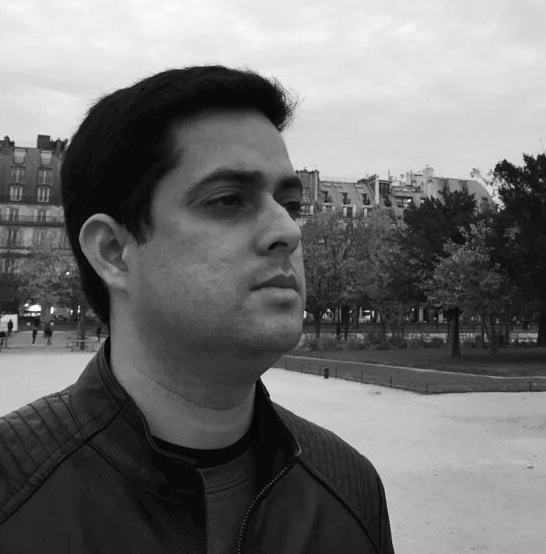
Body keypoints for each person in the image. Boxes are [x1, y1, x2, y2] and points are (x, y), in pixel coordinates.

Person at [0, 66, 394, 553]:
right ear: (113, 252)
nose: (289, 231)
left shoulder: (350, 489)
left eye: (289, 204)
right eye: (229, 200)